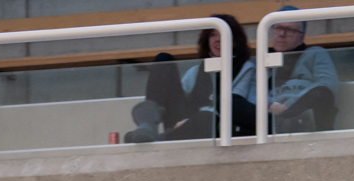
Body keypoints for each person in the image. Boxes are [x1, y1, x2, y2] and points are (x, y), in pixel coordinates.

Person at [125, 16, 256, 143]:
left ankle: (159, 138)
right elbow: (175, 100)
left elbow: (238, 109)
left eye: (222, 34)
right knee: (163, 59)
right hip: (181, 124)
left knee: (207, 117)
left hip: (218, 129)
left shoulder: (246, 68)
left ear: (235, 40)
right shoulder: (196, 71)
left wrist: (191, 121)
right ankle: (147, 125)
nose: (217, 40)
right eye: (212, 35)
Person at [266, 8, 340, 135]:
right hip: (269, 119)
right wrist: (269, 106)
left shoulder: (315, 53)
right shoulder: (264, 60)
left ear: (302, 35)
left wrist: (289, 105)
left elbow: (327, 86)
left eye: (289, 29)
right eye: (277, 28)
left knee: (321, 93)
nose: (282, 33)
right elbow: (252, 93)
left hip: (305, 113)